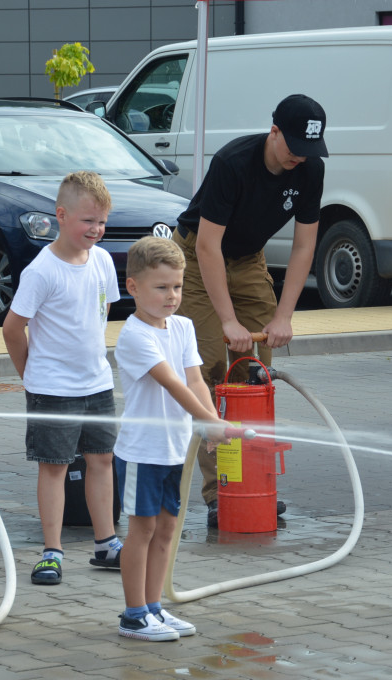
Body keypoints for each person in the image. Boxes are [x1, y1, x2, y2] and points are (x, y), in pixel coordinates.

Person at [172, 94, 328, 527]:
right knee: (209, 366)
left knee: (254, 372)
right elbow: (206, 246)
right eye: (293, 146)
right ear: (273, 131)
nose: (300, 157)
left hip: (249, 259)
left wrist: (284, 317)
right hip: (201, 260)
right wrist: (227, 320)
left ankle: (254, 480)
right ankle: (218, 491)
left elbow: (304, 246)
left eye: (308, 149)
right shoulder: (234, 162)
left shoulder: (310, 166)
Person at [2, 171, 124, 585]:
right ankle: (51, 551)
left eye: (102, 221)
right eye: (88, 220)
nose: (97, 229)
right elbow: (12, 328)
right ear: (61, 215)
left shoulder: (103, 261)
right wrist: (31, 376)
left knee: (102, 461)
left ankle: (106, 542)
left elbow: (101, 315)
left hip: (97, 383)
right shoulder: (42, 271)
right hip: (52, 389)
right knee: (53, 466)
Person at [113, 236, 231, 641]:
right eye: (161, 287)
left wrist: (211, 421)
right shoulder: (134, 336)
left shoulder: (182, 326)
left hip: (172, 450)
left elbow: (195, 380)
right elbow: (171, 385)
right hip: (141, 452)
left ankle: (153, 609)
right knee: (141, 531)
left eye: (177, 287)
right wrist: (209, 421)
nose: (172, 296)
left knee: (167, 530)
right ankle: (132, 615)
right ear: (133, 288)